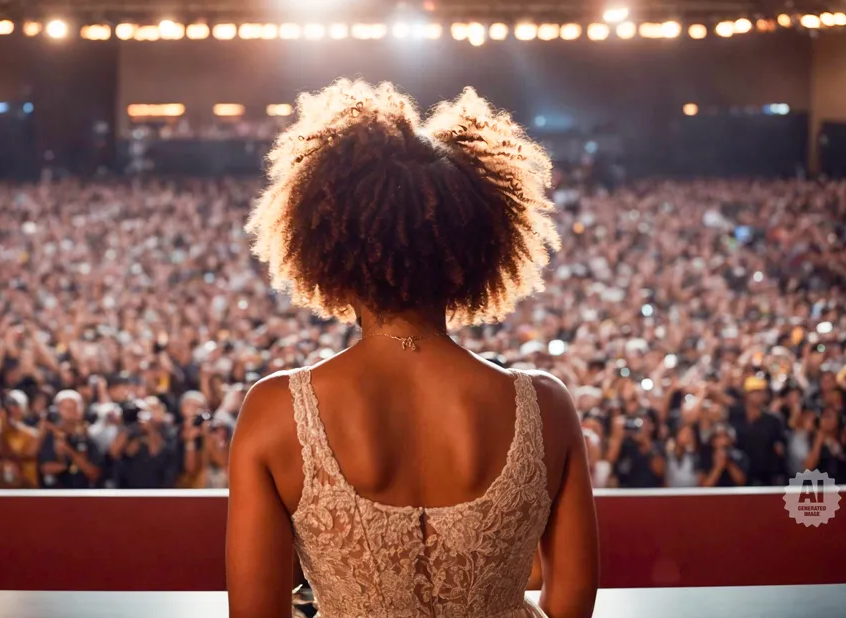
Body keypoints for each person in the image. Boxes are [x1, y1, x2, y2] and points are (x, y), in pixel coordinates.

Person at [226, 81, 598, 618]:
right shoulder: (547, 406)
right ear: (477, 252)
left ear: (327, 252)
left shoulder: (274, 411)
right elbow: (570, 605)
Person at [37, 390, 102, 489]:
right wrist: (68, 464)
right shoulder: (50, 436)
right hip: (55, 495)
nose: (71, 412)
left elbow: (94, 473)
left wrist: (68, 451)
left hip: (84, 494)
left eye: (74, 407)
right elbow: (45, 468)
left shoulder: (88, 436)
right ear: (57, 410)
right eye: (66, 408)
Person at [0, 390, 41, 488]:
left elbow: (30, 452)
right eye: (10, 406)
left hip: (28, 482)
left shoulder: (33, 424)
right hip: (6, 483)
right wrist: (4, 427)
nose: (13, 410)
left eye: (17, 406)